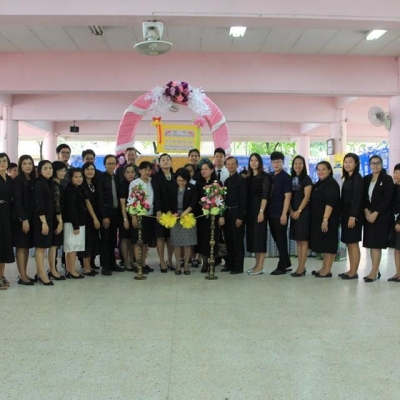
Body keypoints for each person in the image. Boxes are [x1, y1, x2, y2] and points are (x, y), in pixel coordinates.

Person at [363, 155, 394, 282]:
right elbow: (363, 197)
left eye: (378, 163)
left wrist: (375, 213)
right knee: (371, 244)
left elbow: (387, 198)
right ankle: (375, 270)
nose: (375, 165)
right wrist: (366, 212)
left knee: (376, 244)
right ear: (369, 165)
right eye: (373, 163)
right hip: (368, 215)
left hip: (381, 216)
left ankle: (374, 272)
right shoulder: (366, 179)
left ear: (382, 164)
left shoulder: (387, 179)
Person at [33, 160, 61, 286]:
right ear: (40, 170)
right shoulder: (39, 183)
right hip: (41, 219)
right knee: (41, 247)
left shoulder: (49, 182)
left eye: (50, 168)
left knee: (44, 246)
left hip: (48, 218)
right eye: (45, 168)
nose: (48, 170)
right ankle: (41, 274)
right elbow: (39, 204)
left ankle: (40, 273)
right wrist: (43, 222)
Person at [310, 161, 340, 278]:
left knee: (329, 244)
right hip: (320, 218)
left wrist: (325, 219)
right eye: (318, 169)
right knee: (324, 243)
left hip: (329, 219)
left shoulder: (331, 183)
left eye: (323, 169)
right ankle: (324, 267)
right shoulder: (321, 183)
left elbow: (330, 202)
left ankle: (327, 270)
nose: (321, 172)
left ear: (329, 170)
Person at [338, 153, 364, 280]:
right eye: (346, 162)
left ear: (356, 164)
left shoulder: (357, 178)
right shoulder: (348, 178)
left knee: (353, 243)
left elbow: (357, 198)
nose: (347, 164)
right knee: (349, 243)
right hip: (346, 215)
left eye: (350, 162)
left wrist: (353, 215)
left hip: (353, 215)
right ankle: (351, 269)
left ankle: (354, 271)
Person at [220, 156, 247, 274]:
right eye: (228, 164)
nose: (231, 166)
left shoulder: (241, 180)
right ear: (226, 166)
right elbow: (224, 200)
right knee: (229, 239)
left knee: (237, 241)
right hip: (227, 213)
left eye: (233, 164)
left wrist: (240, 217)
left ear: (237, 165)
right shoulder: (227, 181)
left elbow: (243, 200)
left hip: (237, 213)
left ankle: (238, 266)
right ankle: (229, 264)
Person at [12, 155, 36, 285]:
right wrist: (24, 219)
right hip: (21, 219)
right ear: (20, 166)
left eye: (30, 163)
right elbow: (17, 202)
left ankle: (24, 274)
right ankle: (22, 276)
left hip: (31, 218)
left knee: (26, 247)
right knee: (21, 247)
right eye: (25, 164)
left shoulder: (32, 180)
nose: (28, 166)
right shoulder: (18, 180)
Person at [169, 168, 198, 275]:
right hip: (175, 218)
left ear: (187, 179)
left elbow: (194, 201)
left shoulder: (192, 187)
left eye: (183, 181)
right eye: (179, 180)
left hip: (187, 217)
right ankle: (177, 264)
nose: (181, 183)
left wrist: (186, 212)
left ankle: (186, 265)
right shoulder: (172, 188)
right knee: (176, 243)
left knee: (187, 243)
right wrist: (172, 213)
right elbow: (168, 202)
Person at [195, 160, 223, 273]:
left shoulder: (217, 183)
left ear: (212, 170)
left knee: (212, 238)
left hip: (214, 216)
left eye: (206, 169)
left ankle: (212, 261)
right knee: (203, 238)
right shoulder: (198, 184)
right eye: (202, 169)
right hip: (201, 216)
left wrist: (221, 215)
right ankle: (204, 263)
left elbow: (221, 201)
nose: (203, 171)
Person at [267, 151, 292, 275]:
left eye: (279, 161)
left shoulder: (286, 177)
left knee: (281, 240)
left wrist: (284, 214)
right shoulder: (270, 176)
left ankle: (282, 266)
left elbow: (288, 197)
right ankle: (286, 262)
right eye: (274, 162)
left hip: (280, 213)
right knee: (277, 239)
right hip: (270, 212)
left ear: (283, 162)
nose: (276, 164)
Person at [245, 153, 271, 275]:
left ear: (260, 162)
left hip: (260, 210)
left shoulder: (264, 177)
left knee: (260, 238)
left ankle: (261, 266)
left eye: (256, 160)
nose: (254, 162)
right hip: (250, 211)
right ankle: (256, 265)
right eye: (251, 160)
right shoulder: (248, 178)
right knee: (254, 238)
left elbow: (265, 196)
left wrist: (261, 212)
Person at [99, 155, 124, 275]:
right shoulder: (101, 178)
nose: (111, 165)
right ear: (104, 165)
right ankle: (105, 266)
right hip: (106, 212)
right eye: (108, 163)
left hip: (116, 212)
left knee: (113, 240)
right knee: (105, 239)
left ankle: (112, 263)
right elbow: (100, 199)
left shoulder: (118, 178)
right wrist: (104, 216)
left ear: (116, 165)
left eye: (113, 163)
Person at [129, 161, 155, 273]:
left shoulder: (151, 182)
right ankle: (138, 265)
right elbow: (131, 201)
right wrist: (133, 216)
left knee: (145, 242)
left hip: (149, 215)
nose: (147, 172)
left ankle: (143, 263)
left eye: (149, 170)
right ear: (139, 170)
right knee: (137, 241)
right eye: (145, 170)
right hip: (139, 215)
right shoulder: (135, 183)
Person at [289, 155, 312, 277]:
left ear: (304, 165)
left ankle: (302, 267)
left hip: (303, 213)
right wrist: (291, 210)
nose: (298, 165)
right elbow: (288, 196)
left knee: (303, 240)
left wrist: (298, 210)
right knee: (298, 240)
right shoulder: (291, 178)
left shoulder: (306, 179)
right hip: (293, 212)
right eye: (296, 163)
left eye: (300, 163)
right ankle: (300, 266)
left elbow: (306, 197)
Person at [152, 153, 175, 272]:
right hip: (161, 210)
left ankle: (170, 260)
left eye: (168, 159)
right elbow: (156, 195)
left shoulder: (175, 176)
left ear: (171, 162)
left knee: (171, 237)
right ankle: (162, 261)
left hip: (173, 211)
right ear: (159, 164)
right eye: (163, 160)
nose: (165, 161)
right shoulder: (156, 177)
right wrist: (158, 211)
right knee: (161, 236)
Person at [79, 162, 103, 274]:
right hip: (86, 217)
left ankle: (91, 264)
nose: (90, 171)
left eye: (92, 169)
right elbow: (87, 203)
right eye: (87, 169)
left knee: (93, 241)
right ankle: (86, 268)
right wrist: (94, 218)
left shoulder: (95, 184)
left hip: (95, 216)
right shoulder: (82, 185)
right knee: (87, 242)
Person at [47, 161, 67, 280]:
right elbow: (57, 205)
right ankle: (52, 270)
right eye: (60, 170)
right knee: (53, 246)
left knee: (55, 245)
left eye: (64, 170)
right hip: (56, 218)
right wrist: (60, 221)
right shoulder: (54, 185)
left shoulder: (58, 184)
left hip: (58, 217)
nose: (62, 173)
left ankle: (53, 269)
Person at [0, 153, 15, 290]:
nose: (2, 163)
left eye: (4, 161)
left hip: (7, 213)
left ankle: (1, 275)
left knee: (4, 245)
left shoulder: (9, 179)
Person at [118, 164, 136, 271]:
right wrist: (125, 219)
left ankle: (132, 260)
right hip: (124, 215)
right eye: (128, 172)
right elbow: (122, 204)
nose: (130, 174)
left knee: (132, 239)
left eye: (132, 172)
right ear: (124, 174)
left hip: (134, 215)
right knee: (125, 239)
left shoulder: (135, 184)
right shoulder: (123, 186)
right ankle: (125, 261)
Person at [388, 163, 400, 281]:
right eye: (396, 172)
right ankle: (398, 272)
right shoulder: (394, 187)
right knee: (397, 249)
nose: (397, 175)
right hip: (394, 222)